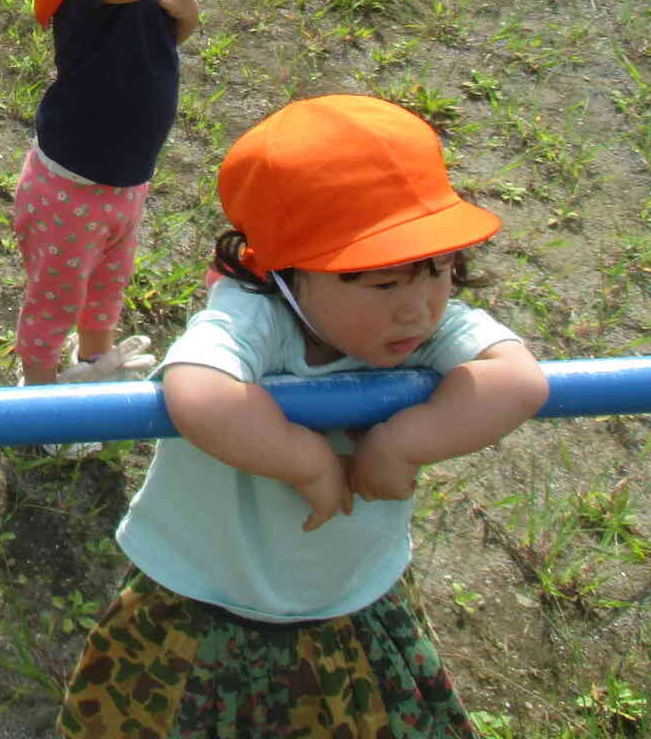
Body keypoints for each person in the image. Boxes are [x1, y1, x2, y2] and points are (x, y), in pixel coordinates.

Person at [60, 94, 551, 738]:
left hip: (349, 597)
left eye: (438, 270)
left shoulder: (424, 325)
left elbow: (519, 379)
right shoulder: (254, 315)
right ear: (289, 273)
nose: (418, 307)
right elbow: (198, 390)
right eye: (383, 283)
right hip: (200, 598)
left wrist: (401, 443)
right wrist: (308, 459)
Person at [6, 0, 265, 396]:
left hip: (124, 177)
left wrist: (186, 22)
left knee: (106, 284)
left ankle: (95, 364)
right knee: (56, 297)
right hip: (73, 185)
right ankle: (39, 389)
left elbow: (149, 34)